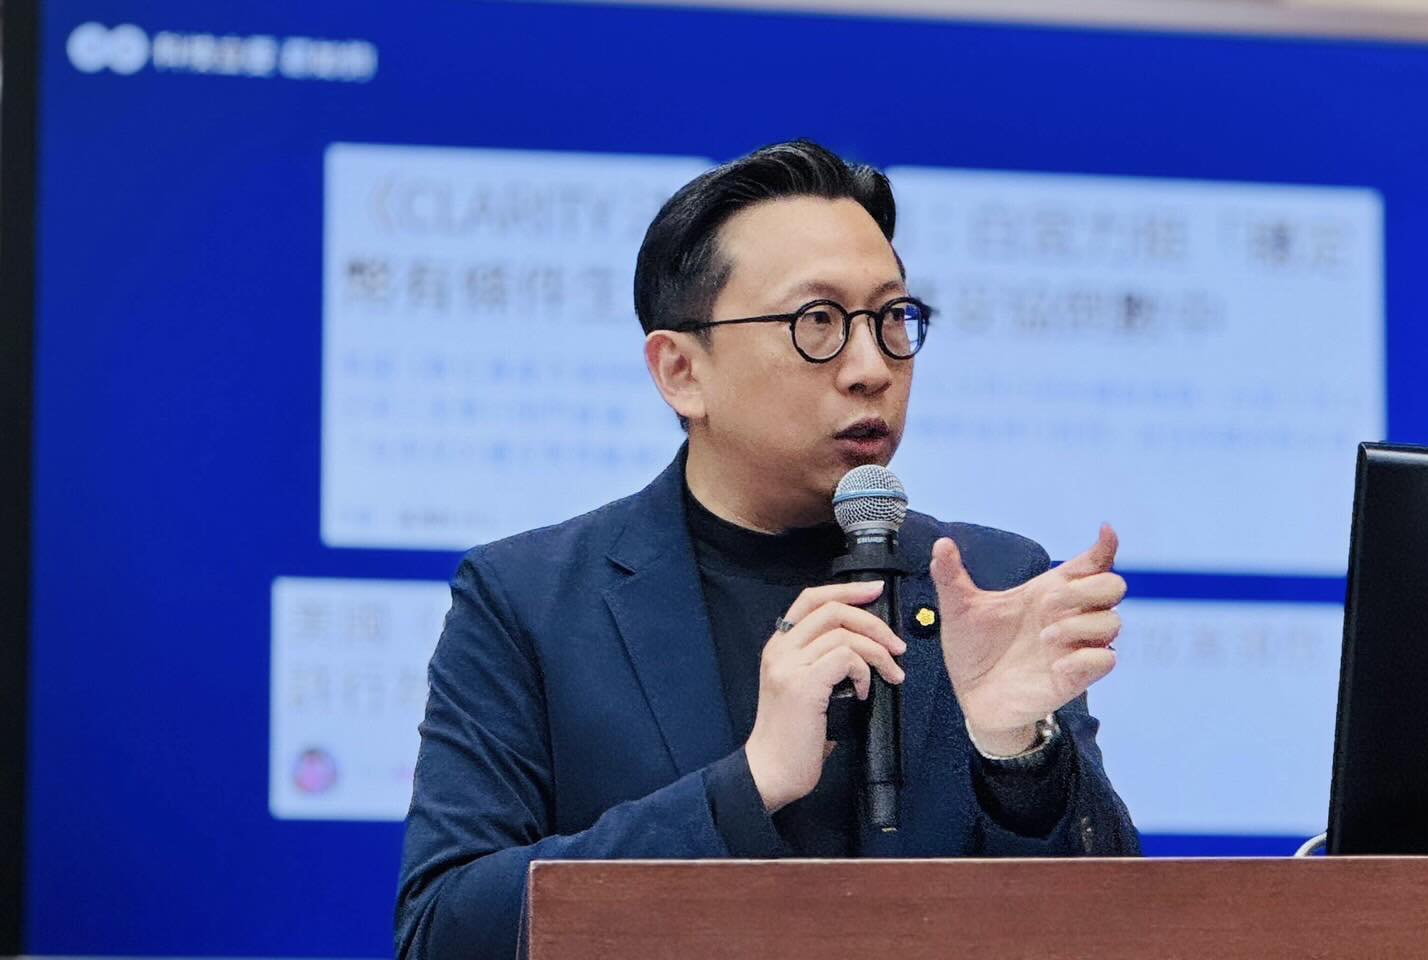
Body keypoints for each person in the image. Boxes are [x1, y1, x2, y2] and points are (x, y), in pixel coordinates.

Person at [394, 140, 1140, 960]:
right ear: (681, 371)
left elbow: (1117, 925)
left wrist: (1017, 755)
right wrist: (742, 789)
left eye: (892, 318)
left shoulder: (991, 584)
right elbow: (445, 929)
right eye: (817, 322)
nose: (870, 367)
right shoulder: (529, 600)